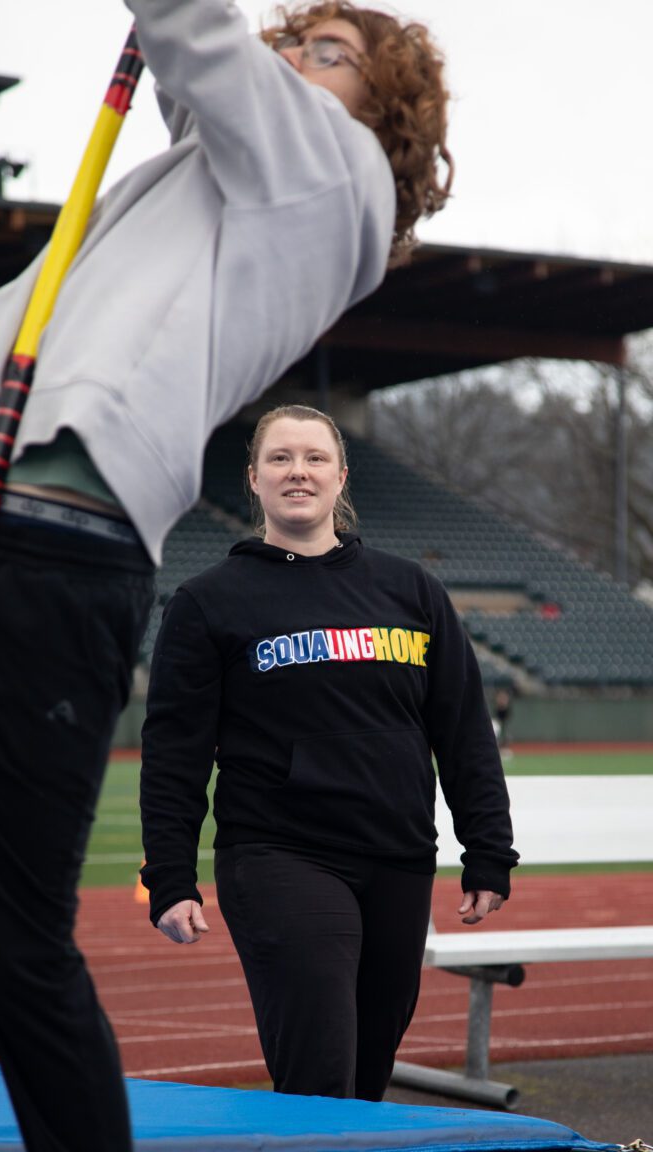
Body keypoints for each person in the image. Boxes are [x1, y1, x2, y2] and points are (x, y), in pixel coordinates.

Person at [0, 0, 452, 1148]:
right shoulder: (223, 165)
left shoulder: (338, 178)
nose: (294, 58)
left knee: (12, 942)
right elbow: (197, 70)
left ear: (381, 121)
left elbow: (195, 33)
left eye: (327, 53)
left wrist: (220, 40)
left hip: (47, 544)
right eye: (294, 40)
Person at [140, 404, 518, 1102]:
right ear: (253, 479)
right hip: (281, 855)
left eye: (314, 458)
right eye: (280, 458)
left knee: (368, 1074)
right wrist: (170, 873)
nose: (298, 472)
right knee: (320, 1068)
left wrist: (488, 848)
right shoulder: (208, 603)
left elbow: (462, 730)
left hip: (399, 856)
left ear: (341, 476)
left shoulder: (412, 591)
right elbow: (175, 752)